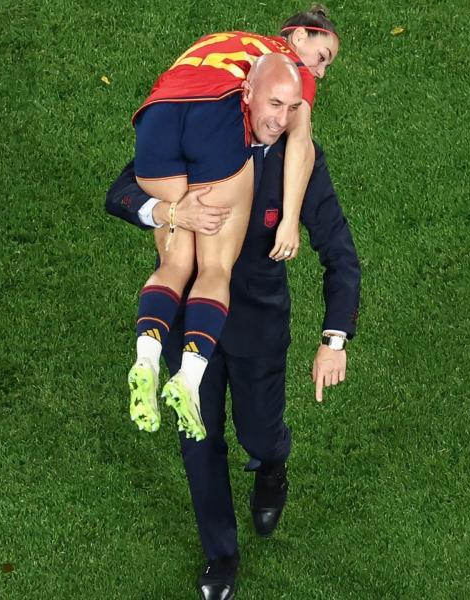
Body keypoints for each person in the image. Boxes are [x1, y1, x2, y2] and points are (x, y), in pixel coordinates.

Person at [106, 64, 360, 599]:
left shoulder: (300, 164)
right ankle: (220, 555)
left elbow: (339, 253)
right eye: (274, 107)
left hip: (259, 325)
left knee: (259, 433)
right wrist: (170, 211)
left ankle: (272, 465)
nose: (282, 119)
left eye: (294, 110)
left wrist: (333, 339)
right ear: (248, 97)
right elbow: (121, 193)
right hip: (191, 316)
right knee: (198, 440)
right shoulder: (205, 134)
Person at [129, 6, 341, 442]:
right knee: (213, 267)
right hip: (214, 120)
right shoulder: (287, 69)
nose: (319, 72)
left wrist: (171, 211)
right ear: (298, 36)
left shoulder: (228, 41)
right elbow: (299, 145)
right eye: (323, 56)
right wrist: (288, 220)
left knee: (177, 254)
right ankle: (188, 380)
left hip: (155, 117)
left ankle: (145, 358)